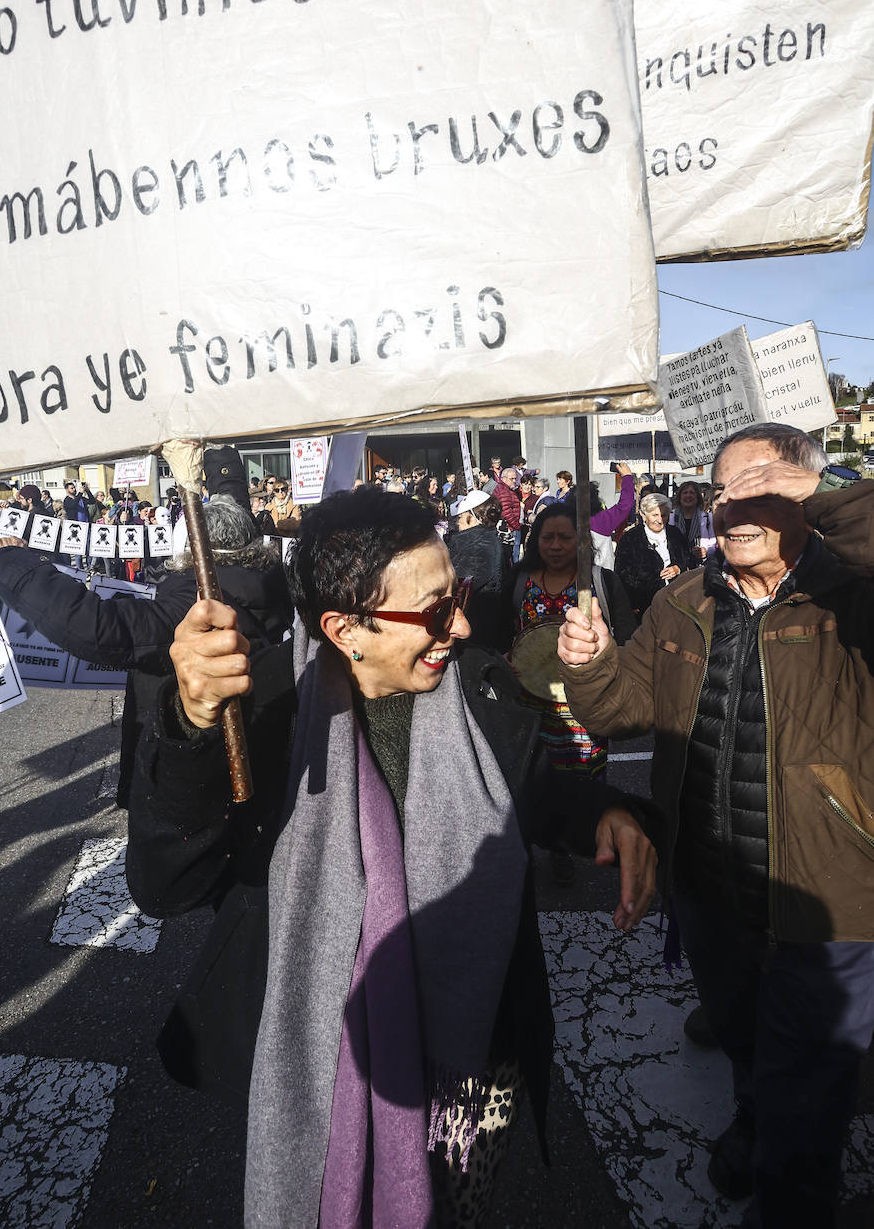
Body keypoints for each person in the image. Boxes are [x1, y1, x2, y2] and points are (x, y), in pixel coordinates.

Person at [126, 489, 658, 1229]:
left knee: (458, 1208)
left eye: (460, 595)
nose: (463, 625)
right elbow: (165, 885)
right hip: (321, 1042)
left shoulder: (475, 682)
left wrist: (607, 810)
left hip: (475, 1042)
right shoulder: (258, 708)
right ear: (347, 628)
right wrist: (190, 726)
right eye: (437, 609)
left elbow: (528, 790)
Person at [558, 422, 874, 1229]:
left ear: (805, 496)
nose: (732, 502)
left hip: (825, 907)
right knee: (744, 1043)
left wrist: (833, 485)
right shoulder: (683, 600)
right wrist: (590, 661)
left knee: (808, 1103)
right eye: (722, 486)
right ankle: (754, 1121)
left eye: (760, 484)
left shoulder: (849, 593)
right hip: (709, 890)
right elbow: (621, 708)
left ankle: (790, 1196)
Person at [0, 496, 291, 808]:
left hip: (191, 780)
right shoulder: (263, 587)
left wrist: (11, 563)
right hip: (255, 759)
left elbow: (99, 627)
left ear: (188, 545)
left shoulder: (198, 604)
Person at [510, 501, 635, 783]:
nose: (555, 546)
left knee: (585, 788)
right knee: (534, 784)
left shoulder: (602, 582)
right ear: (536, 540)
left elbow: (628, 638)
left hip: (585, 704)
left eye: (565, 538)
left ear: (580, 541)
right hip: (529, 708)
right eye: (548, 538)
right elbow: (493, 636)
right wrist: (502, 659)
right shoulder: (517, 581)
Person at [445, 490, 509, 651]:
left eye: (461, 516)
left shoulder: (478, 548)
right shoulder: (478, 541)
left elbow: (456, 589)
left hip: (475, 634)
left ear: (475, 518)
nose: (458, 521)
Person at [614, 492, 691, 620]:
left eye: (664, 515)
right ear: (644, 516)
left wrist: (678, 567)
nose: (660, 520)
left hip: (676, 602)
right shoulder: (631, 538)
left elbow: (687, 557)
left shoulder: (675, 534)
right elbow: (622, 573)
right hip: (644, 606)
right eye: (655, 515)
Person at [671, 478, 716, 562]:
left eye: (692, 493)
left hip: (699, 566)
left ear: (698, 497)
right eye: (685, 493)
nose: (688, 496)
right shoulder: (671, 517)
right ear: (679, 496)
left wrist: (706, 551)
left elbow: (715, 543)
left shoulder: (708, 518)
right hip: (676, 565)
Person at [493, 466, 522, 562]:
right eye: (512, 479)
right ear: (504, 479)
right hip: (509, 528)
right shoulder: (503, 491)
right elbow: (506, 512)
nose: (514, 481)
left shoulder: (508, 489)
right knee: (513, 557)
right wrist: (516, 526)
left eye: (515, 478)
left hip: (510, 527)